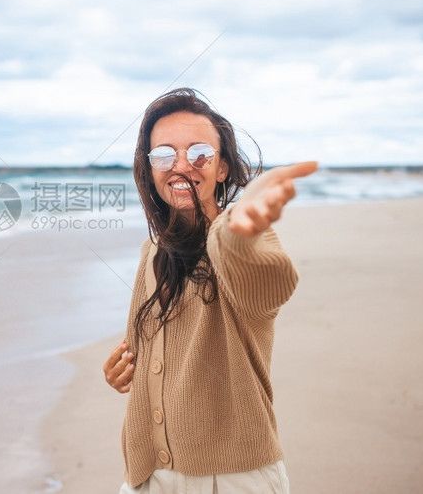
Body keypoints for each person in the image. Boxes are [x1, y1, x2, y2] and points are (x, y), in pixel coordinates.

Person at [102, 88, 317, 493]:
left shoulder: (240, 239)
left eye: (199, 152)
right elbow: (152, 351)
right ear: (150, 170)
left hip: (232, 478)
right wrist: (123, 372)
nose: (181, 166)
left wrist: (242, 232)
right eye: (163, 155)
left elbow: (268, 282)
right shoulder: (151, 252)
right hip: (147, 474)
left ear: (222, 168)